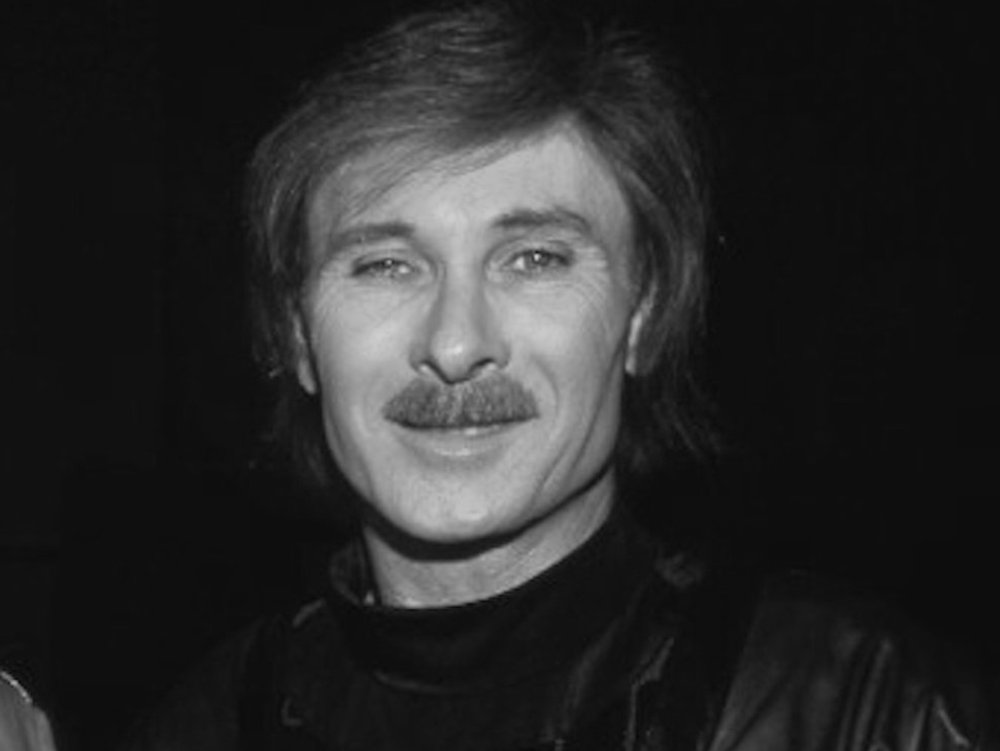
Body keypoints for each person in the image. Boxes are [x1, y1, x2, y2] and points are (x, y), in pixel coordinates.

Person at [124, 2, 994, 749]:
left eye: (534, 258)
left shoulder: (870, 710)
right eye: (385, 264)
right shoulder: (206, 727)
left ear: (644, 314)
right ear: (298, 336)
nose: (456, 344)